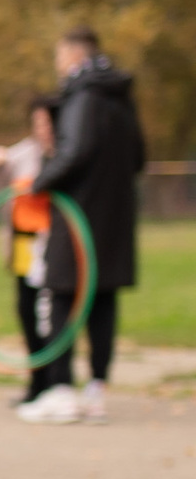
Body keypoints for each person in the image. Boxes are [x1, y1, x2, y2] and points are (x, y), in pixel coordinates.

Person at [28, 25, 146, 421]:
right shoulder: (121, 97)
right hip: (114, 218)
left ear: (74, 57)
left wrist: (40, 182)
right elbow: (139, 157)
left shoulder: (82, 96)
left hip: (77, 216)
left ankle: (61, 390)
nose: (59, 68)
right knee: (102, 300)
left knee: (61, 296)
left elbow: (75, 151)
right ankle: (97, 389)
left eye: (59, 59)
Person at [0, 101, 77, 415]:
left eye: (47, 123)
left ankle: (57, 382)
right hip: (26, 247)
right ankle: (38, 383)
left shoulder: (67, 154)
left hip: (56, 246)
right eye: (37, 123)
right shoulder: (24, 153)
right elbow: (1, 167)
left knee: (50, 313)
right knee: (27, 309)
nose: (42, 130)